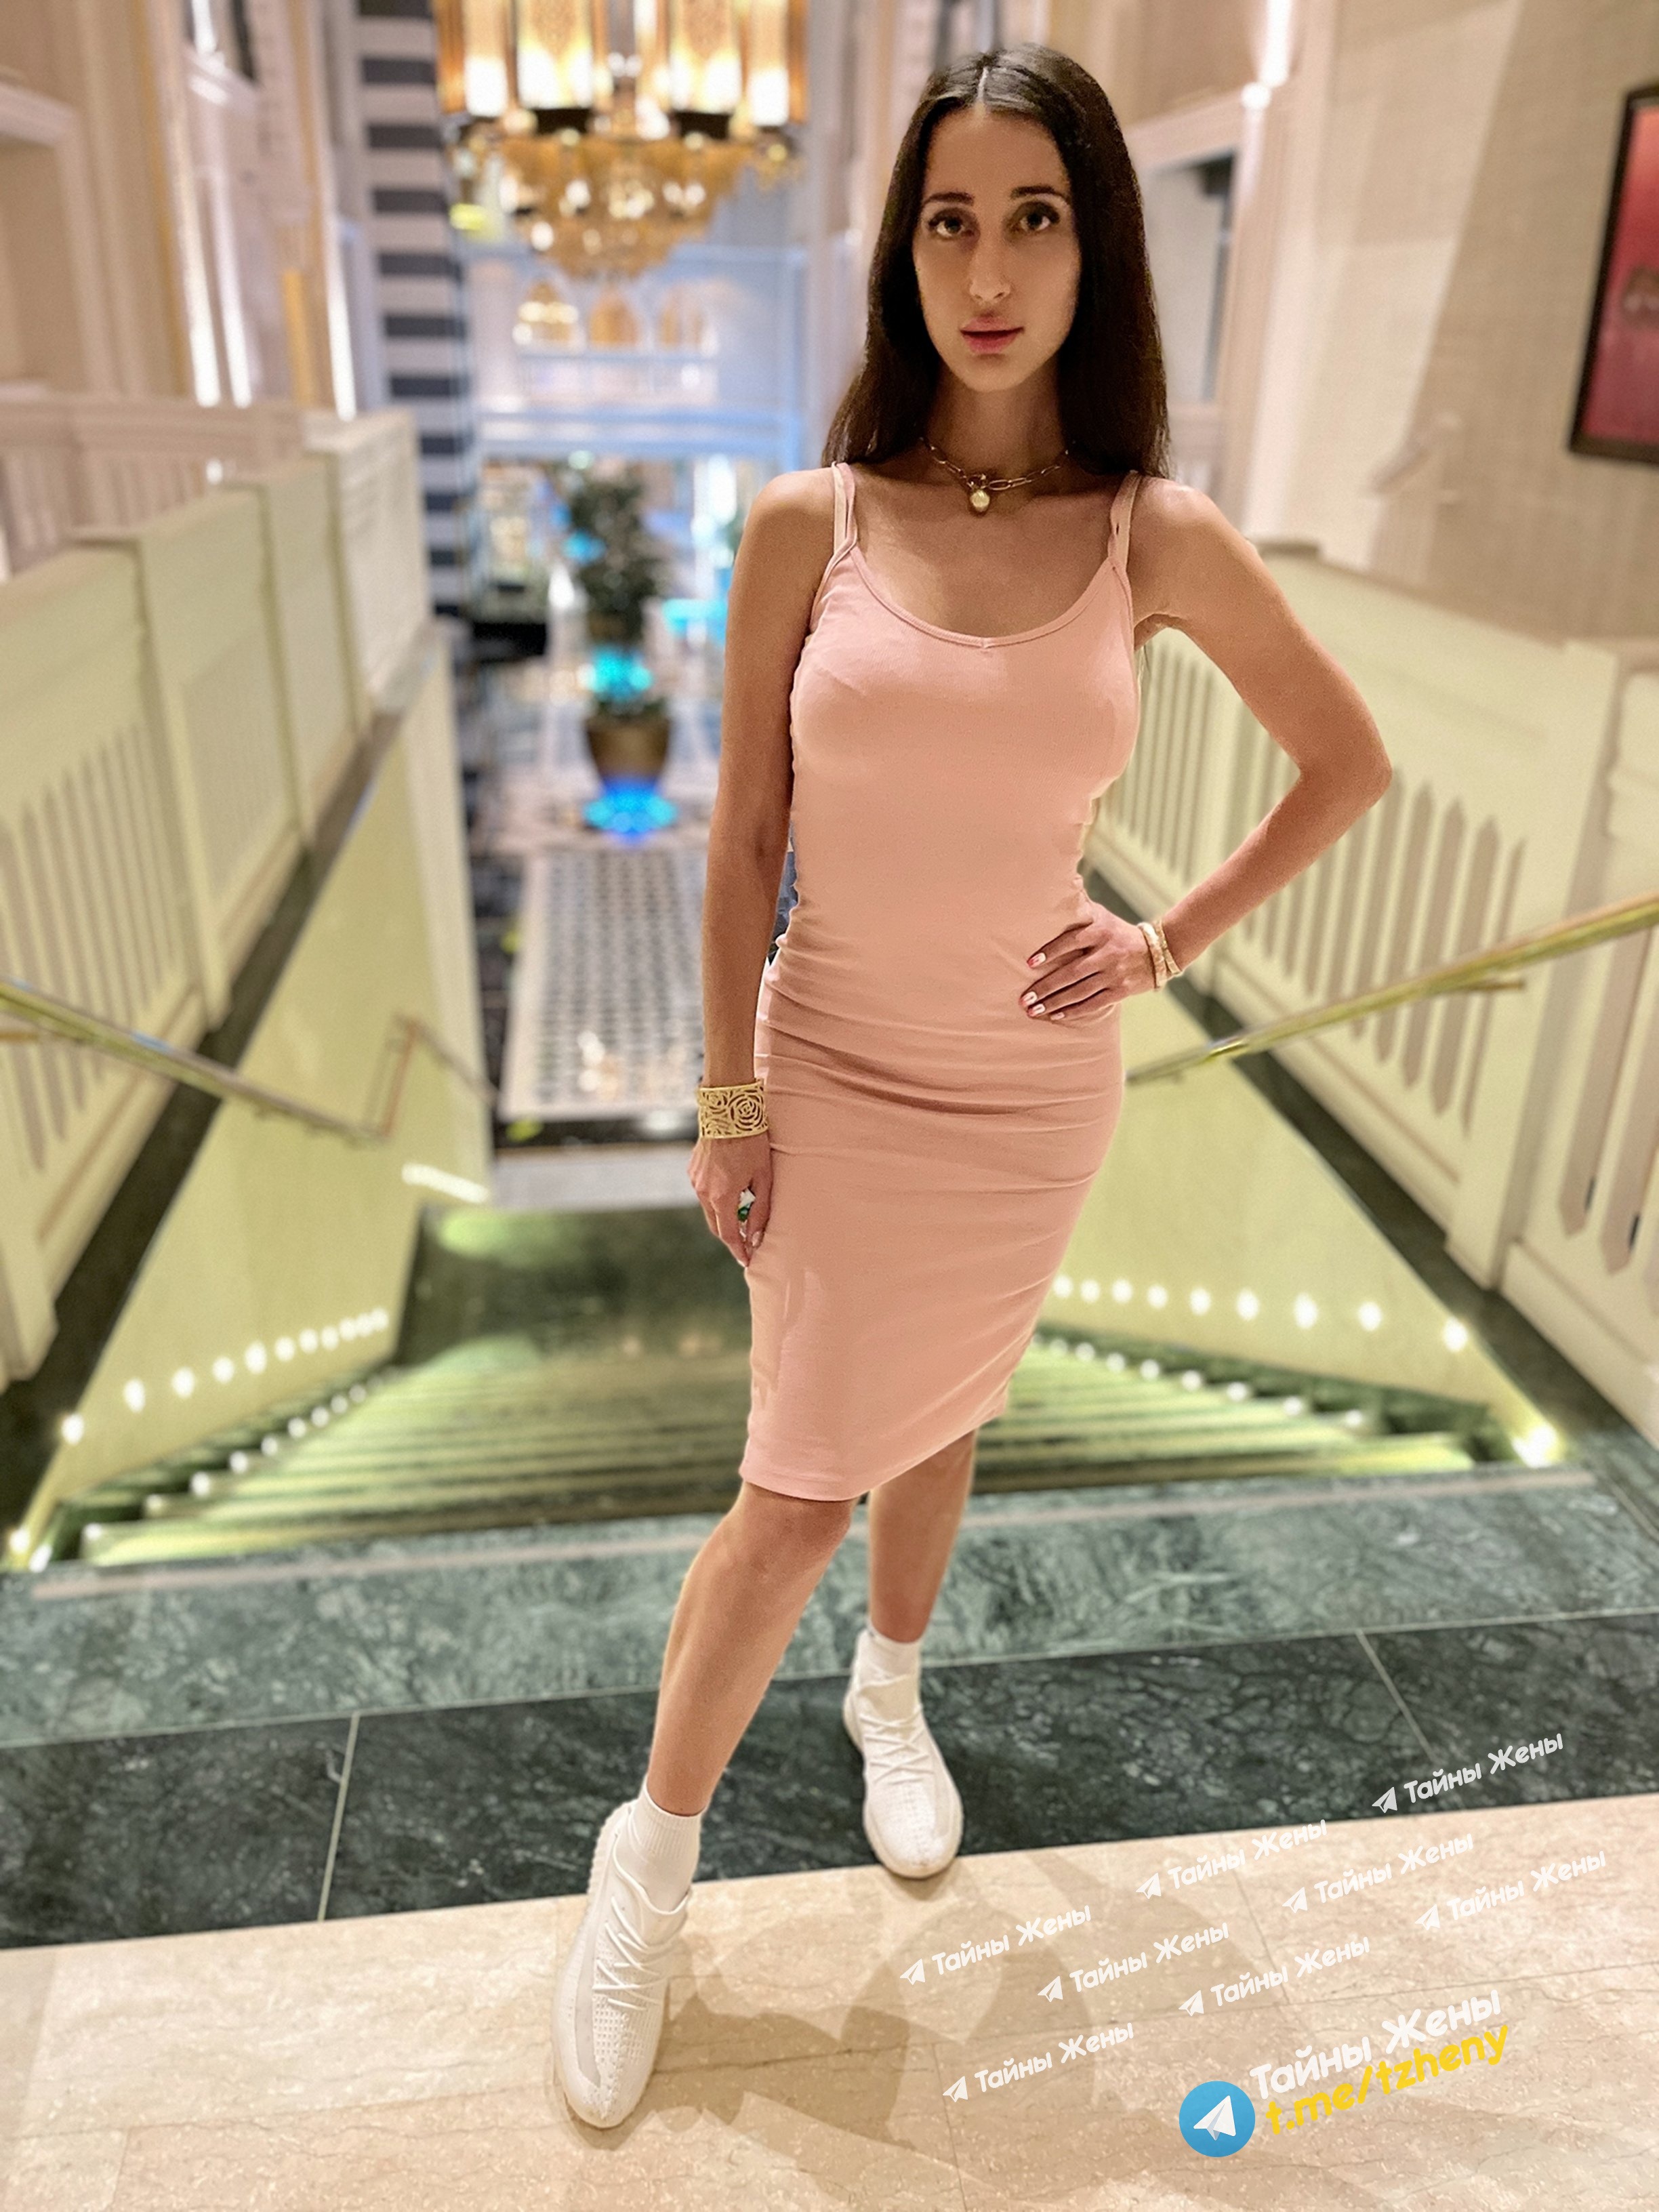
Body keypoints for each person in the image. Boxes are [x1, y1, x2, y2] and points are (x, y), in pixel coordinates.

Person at [552, 43, 1391, 2129]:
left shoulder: (1154, 534)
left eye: (1035, 219)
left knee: (946, 1407)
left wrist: (1165, 940)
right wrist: (726, 1096)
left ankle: (896, 1689)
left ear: (1095, 251)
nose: (990, 270)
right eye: (950, 222)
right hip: (834, 1061)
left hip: (1031, 1087)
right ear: (900, 252)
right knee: (791, 1491)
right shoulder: (806, 523)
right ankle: (643, 1874)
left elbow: (1348, 764)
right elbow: (744, 836)